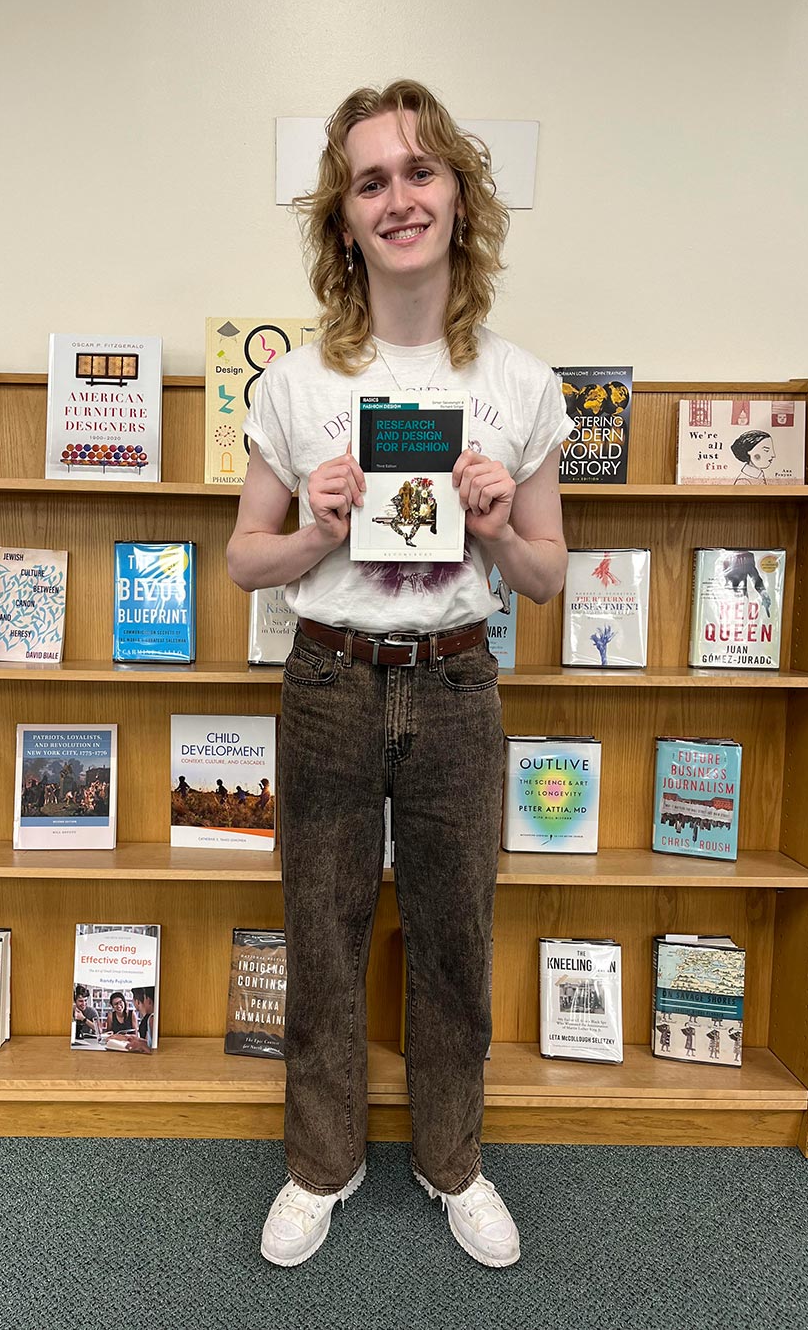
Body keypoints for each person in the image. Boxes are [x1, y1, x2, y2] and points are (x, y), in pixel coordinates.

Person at [227, 79, 572, 1269]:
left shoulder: (522, 384)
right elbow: (240, 559)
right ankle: (321, 1163)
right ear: (344, 219)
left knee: (452, 938)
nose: (399, 196)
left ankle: (451, 1161)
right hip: (327, 683)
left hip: (459, 685)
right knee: (319, 937)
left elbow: (543, 577)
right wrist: (316, 529)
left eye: (421, 171)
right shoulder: (295, 385)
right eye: (371, 180)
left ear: (460, 199)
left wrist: (494, 524)